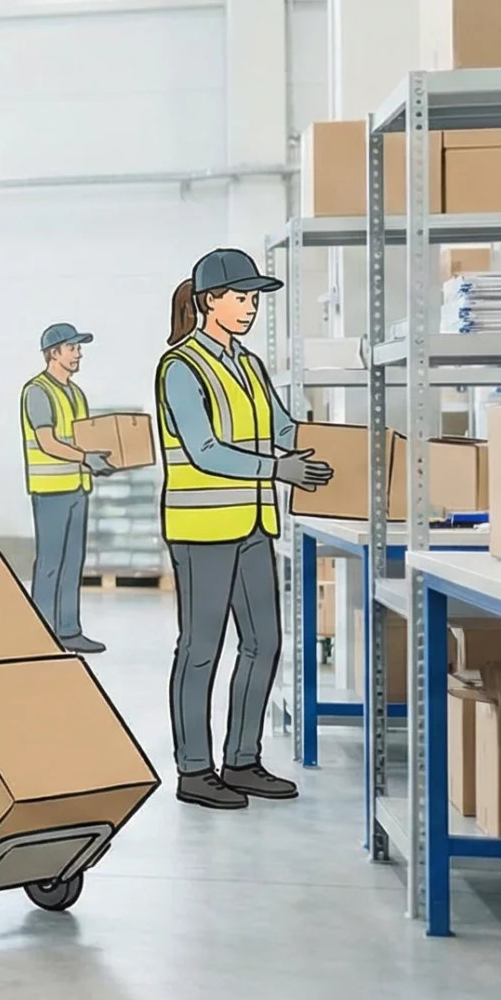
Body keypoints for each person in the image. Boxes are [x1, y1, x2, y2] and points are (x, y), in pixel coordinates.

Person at [157, 248, 332, 810]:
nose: (251, 308)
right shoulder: (181, 367)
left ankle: (241, 760)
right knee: (201, 648)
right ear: (211, 301)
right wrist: (281, 469)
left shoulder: (250, 365)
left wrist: (333, 451)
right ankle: (193, 770)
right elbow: (204, 450)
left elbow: (282, 426)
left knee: (264, 643)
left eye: (255, 299)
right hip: (202, 527)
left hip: (255, 523)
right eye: (241, 298)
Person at [23, 322, 116, 654]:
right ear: (54, 353)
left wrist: (98, 460)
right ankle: (43, 633)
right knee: (50, 562)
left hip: (77, 488)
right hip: (51, 491)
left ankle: (68, 629)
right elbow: (46, 441)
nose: (78, 354)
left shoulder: (75, 393)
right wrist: (86, 458)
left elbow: (83, 438)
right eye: (73, 348)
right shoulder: (37, 391)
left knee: (73, 560)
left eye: (79, 348)